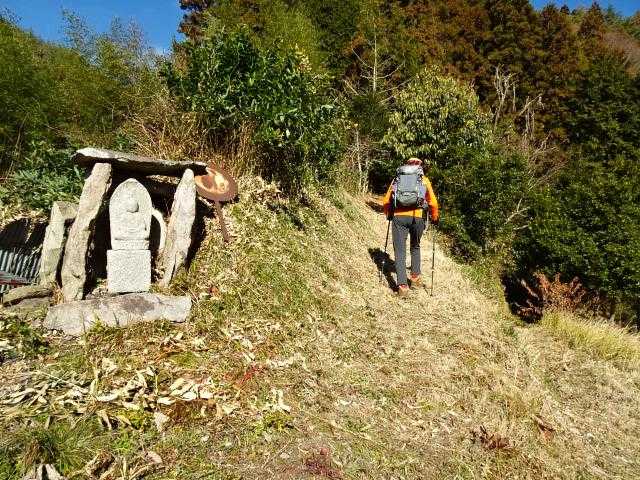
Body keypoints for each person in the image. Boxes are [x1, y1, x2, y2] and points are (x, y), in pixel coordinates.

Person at [382, 157, 439, 298]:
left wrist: (388, 214)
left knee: (400, 251)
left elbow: (386, 200)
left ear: (406, 165)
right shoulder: (424, 180)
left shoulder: (397, 179)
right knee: (415, 246)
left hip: (399, 218)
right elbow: (433, 202)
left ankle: (402, 287)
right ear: (420, 166)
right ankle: (415, 278)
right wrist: (435, 217)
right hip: (417, 217)